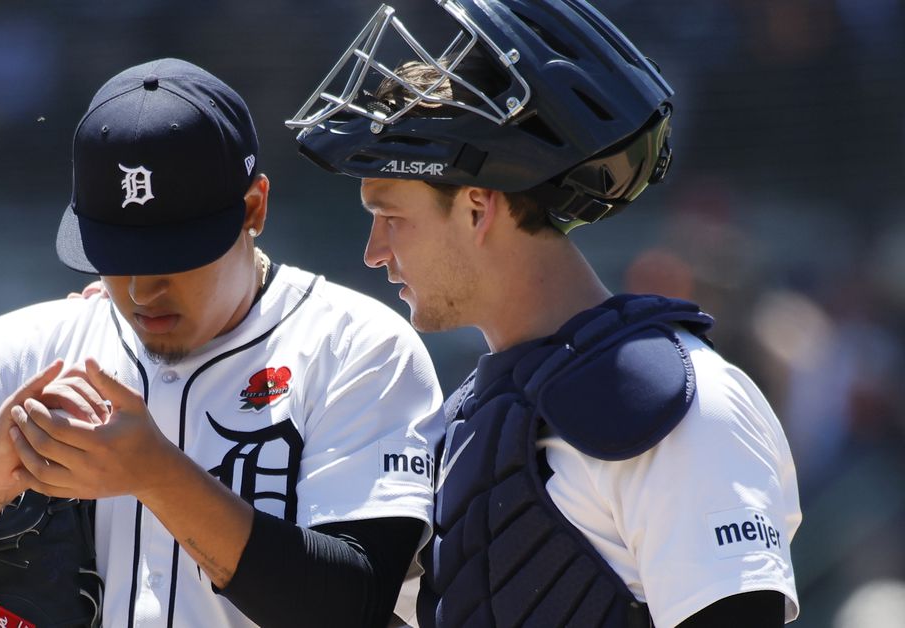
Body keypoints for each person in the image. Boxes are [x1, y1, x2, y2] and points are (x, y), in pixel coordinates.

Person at [0, 58, 443, 628]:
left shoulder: (356, 350)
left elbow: (353, 604)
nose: (143, 291)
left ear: (253, 209)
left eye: (174, 257)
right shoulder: (21, 353)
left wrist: (157, 476)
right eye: (118, 258)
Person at [286, 1, 801, 626]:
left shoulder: (676, 407)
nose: (374, 253)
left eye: (391, 217)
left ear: (477, 208)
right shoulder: (469, 420)